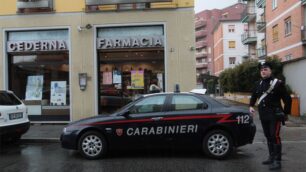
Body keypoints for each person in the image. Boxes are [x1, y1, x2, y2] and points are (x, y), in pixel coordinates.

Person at [249, 61, 292, 170]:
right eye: (261, 70)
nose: (263, 71)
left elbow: (288, 99)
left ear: (270, 70)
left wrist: (286, 113)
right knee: (268, 136)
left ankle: (277, 161)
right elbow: (254, 96)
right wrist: (251, 106)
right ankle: (271, 157)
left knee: (275, 136)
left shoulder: (277, 83)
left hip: (275, 115)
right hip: (263, 115)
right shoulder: (258, 84)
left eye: (265, 69)